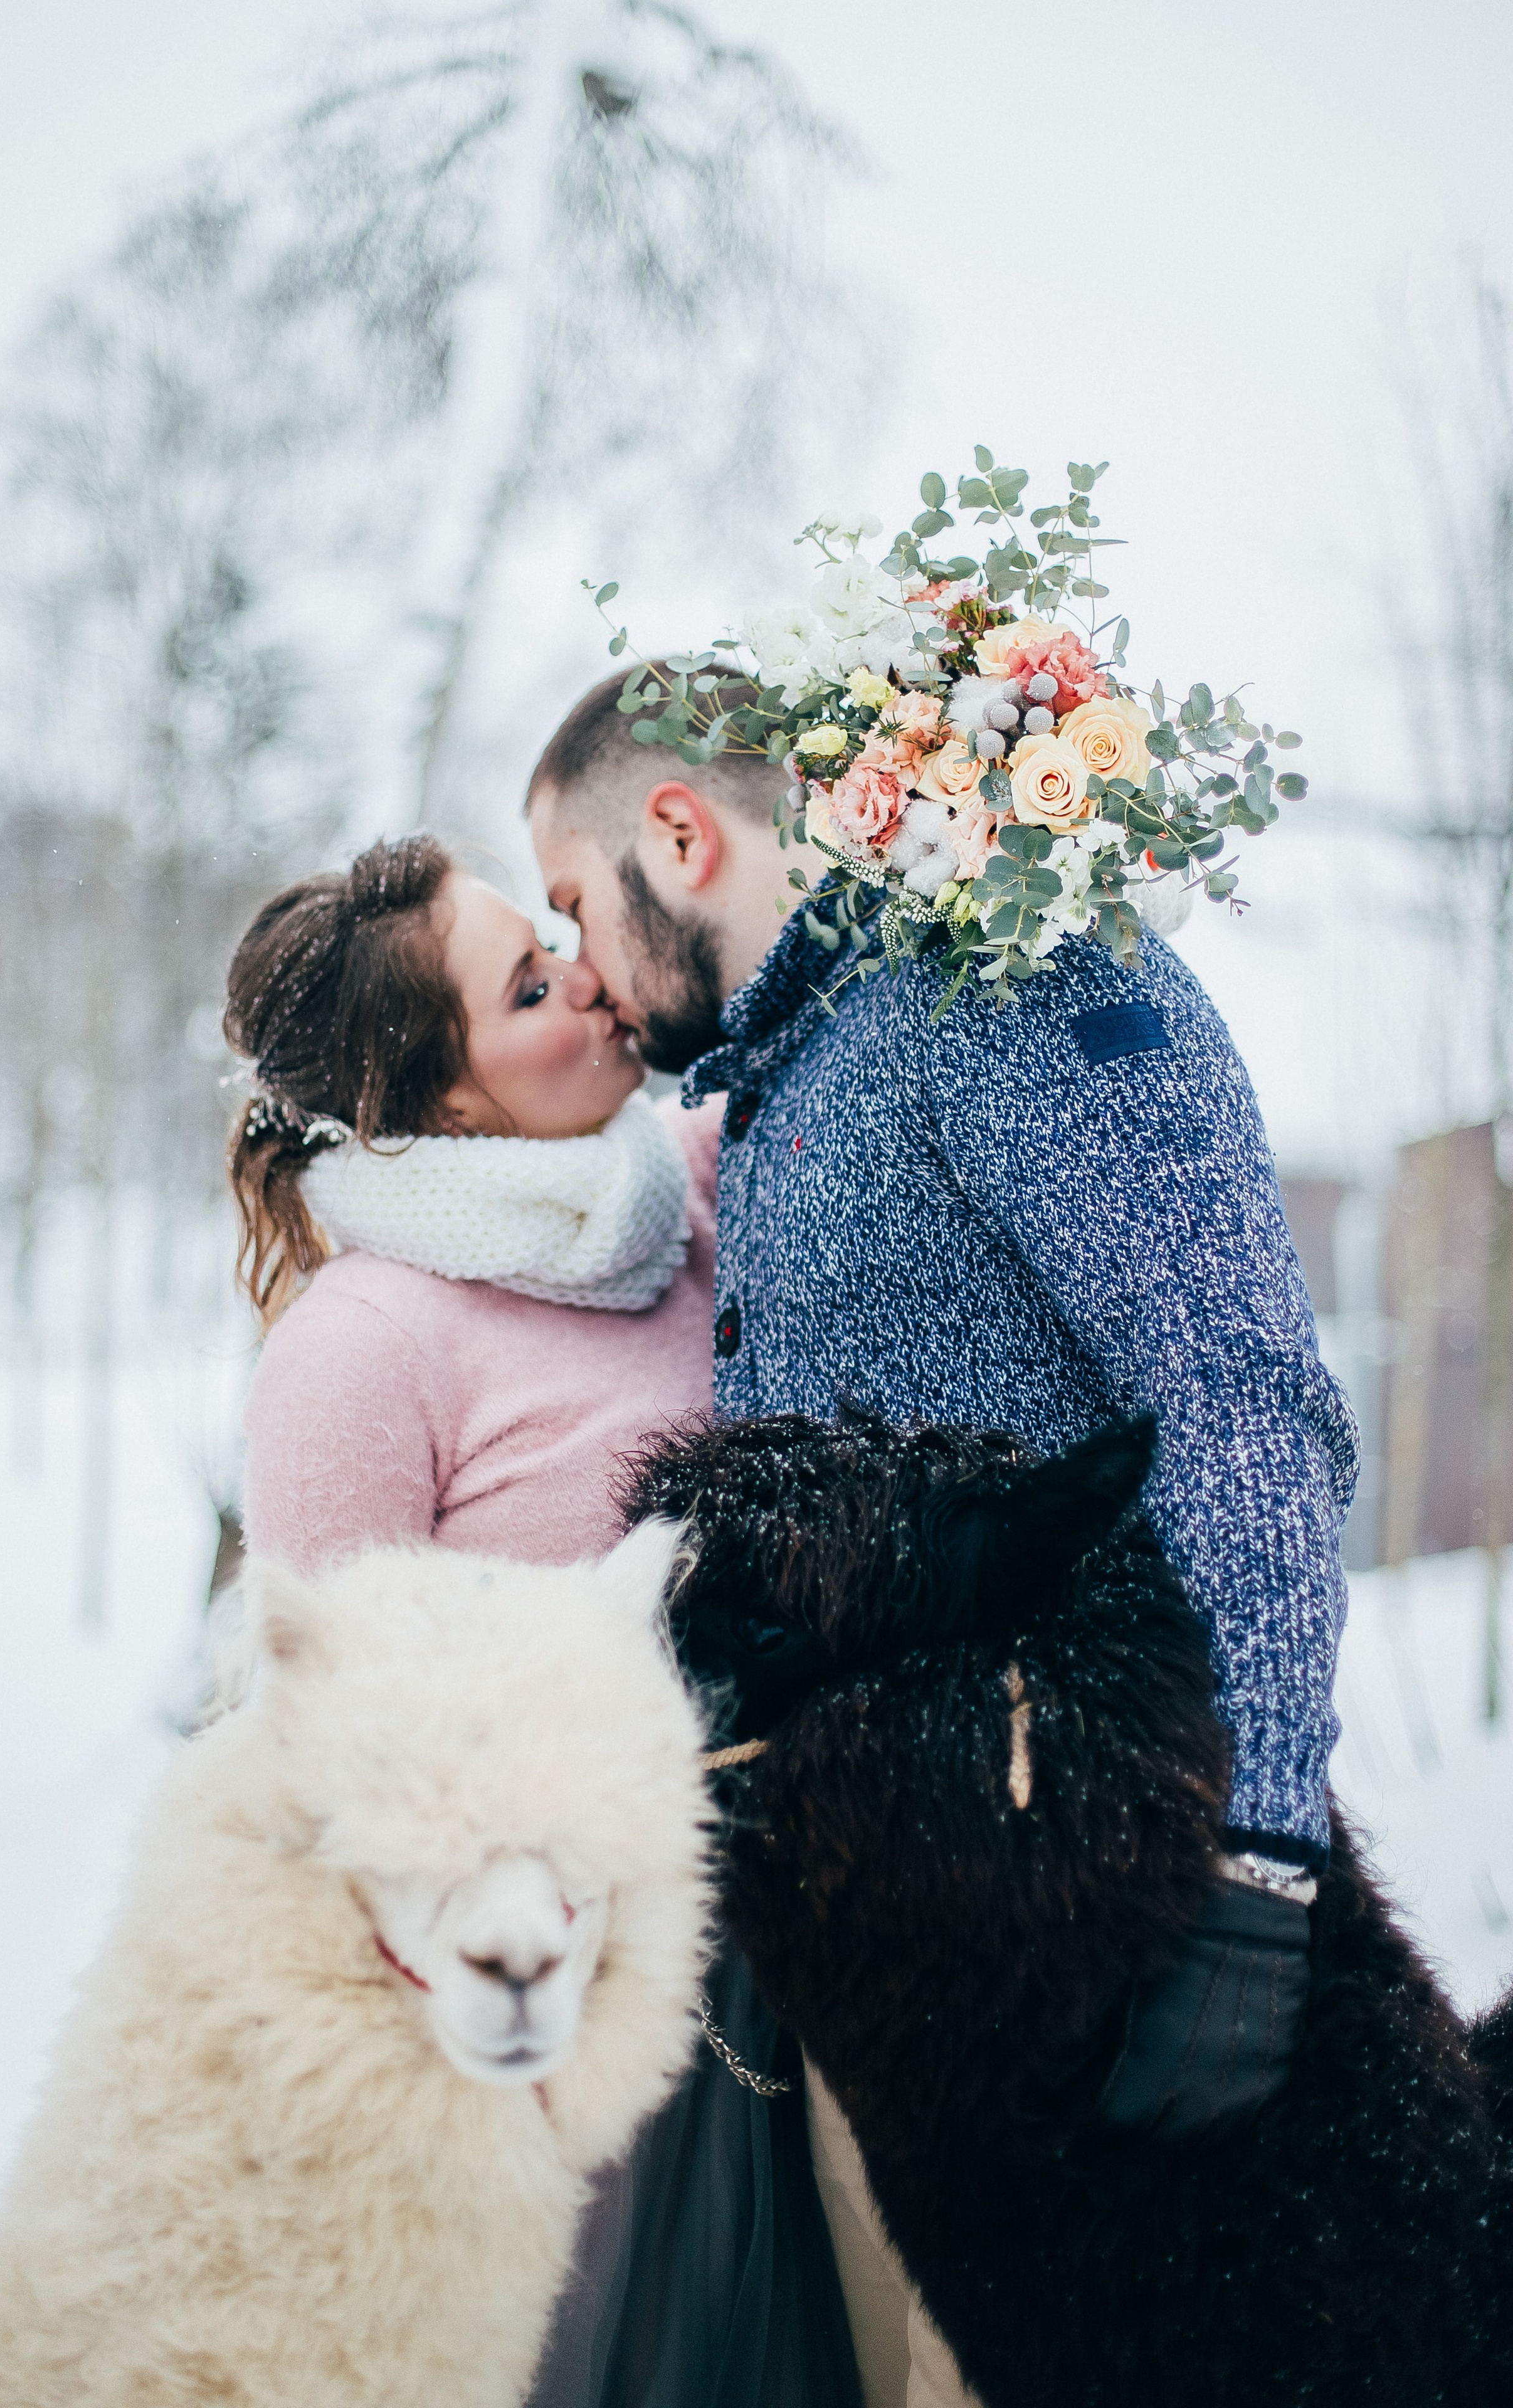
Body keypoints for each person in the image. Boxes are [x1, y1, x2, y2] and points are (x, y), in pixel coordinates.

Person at [526, 668, 1361, 2397]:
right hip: (877, 1970)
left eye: (568, 903)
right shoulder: (788, 1078)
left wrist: (1257, 1868)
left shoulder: (1018, 984)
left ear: (675, 832)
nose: (580, 968)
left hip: (1086, 1927)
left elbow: (1236, 1395)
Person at [223, 831, 860, 2408]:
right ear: (440, 1104)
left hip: (815, 1958)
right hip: (564, 2023)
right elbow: (324, 1763)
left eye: (551, 941)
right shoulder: (364, 1348)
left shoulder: (688, 1195)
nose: (587, 977)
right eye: (526, 986)